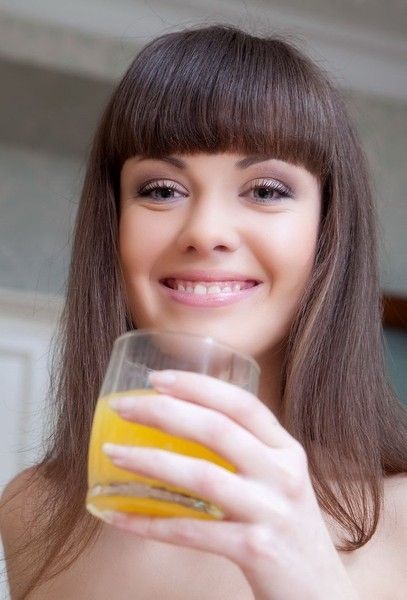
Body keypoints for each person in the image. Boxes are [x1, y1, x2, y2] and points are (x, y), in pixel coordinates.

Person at [1, 23, 406, 600]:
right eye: (162, 189)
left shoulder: (400, 516)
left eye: (266, 190)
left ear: (327, 232)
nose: (206, 232)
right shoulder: (32, 508)